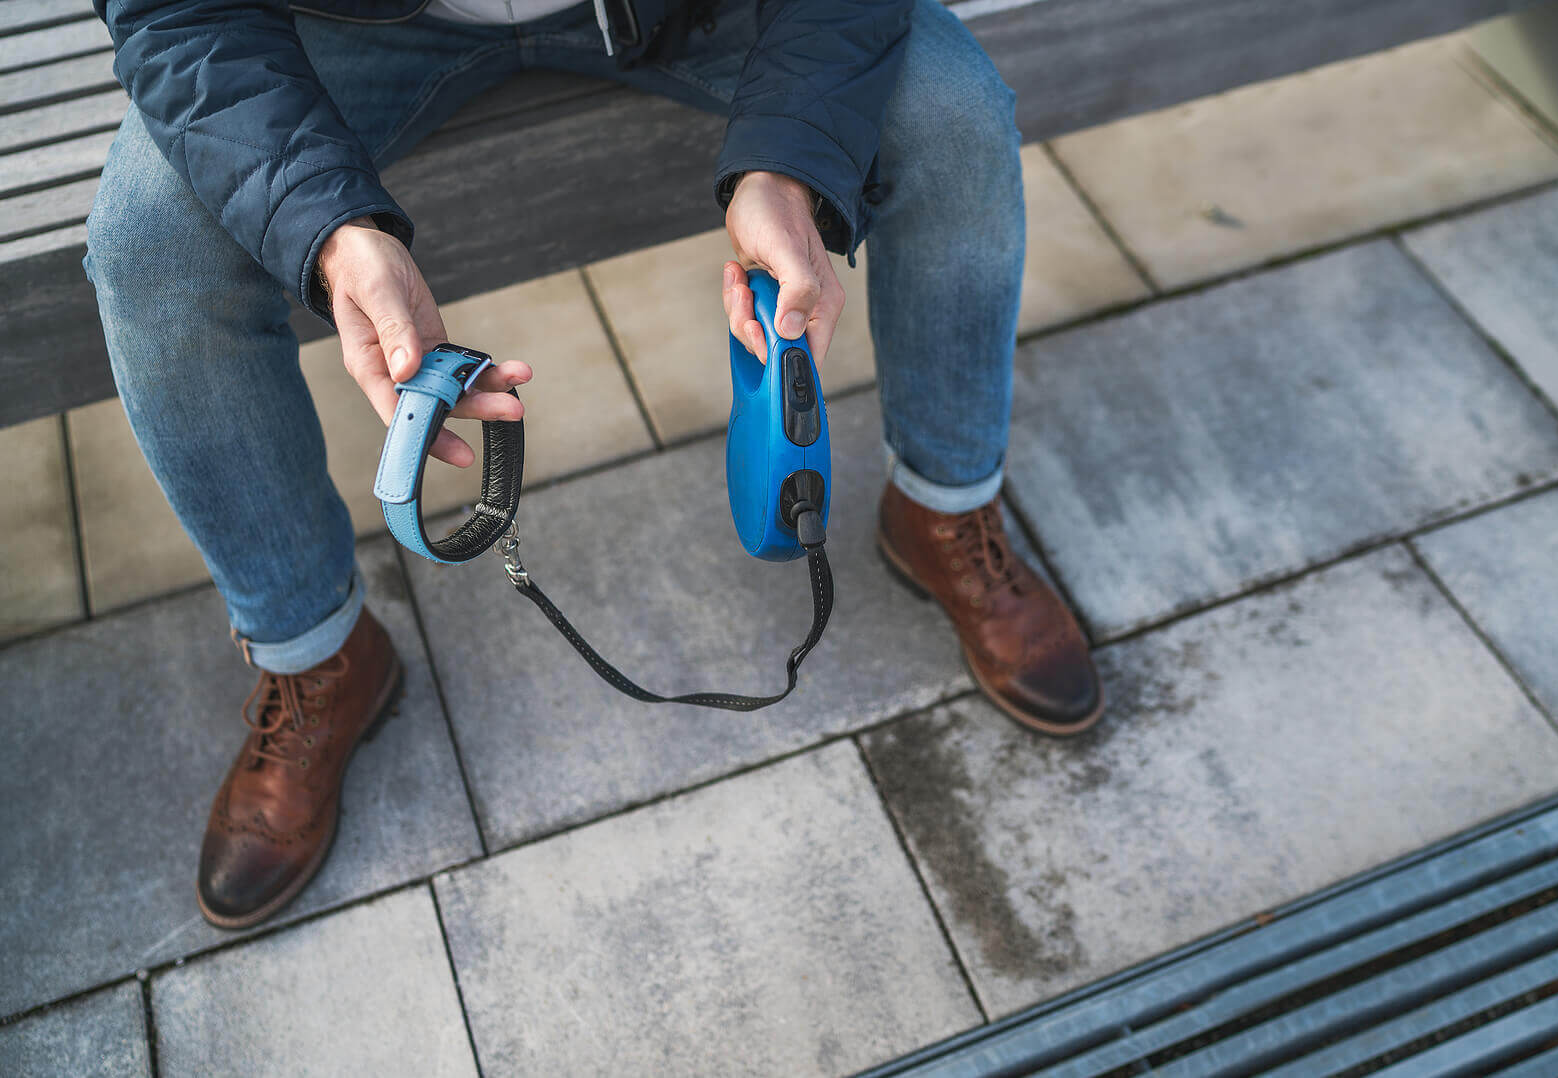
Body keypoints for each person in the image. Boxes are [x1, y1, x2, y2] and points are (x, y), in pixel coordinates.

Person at [87, 0, 1103, 930]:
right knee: (152, 247)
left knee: (954, 113)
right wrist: (329, 229)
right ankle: (313, 655)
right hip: (353, 19)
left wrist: (790, 159)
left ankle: (942, 508)